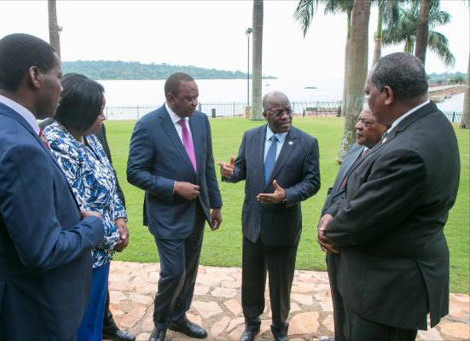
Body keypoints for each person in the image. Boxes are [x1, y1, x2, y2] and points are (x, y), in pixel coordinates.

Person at [0, 33, 104, 341]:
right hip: (30, 316)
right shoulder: (18, 148)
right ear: (35, 76)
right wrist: (91, 227)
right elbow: (42, 251)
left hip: (2, 302)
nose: (62, 87)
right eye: (59, 76)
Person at [319, 52, 460, 341]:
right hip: (390, 281)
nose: (366, 100)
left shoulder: (408, 150)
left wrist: (329, 228)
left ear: (387, 94)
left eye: (368, 93)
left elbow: (363, 216)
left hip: (386, 290)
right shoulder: (433, 125)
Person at [127, 72, 223, 341]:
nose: (195, 103)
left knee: (189, 272)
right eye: (189, 98)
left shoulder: (202, 121)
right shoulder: (148, 125)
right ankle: (160, 322)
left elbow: (206, 166)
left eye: (197, 98)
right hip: (166, 214)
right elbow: (134, 172)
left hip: (197, 212)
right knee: (174, 272)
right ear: (170, 98)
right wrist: (173, 187)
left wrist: (215, 204)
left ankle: (179, 317)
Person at [217, 91, 320, 341]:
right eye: (278, 112)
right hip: (253, 224)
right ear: (265, 114)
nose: (286, 116)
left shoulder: (307, 142)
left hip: (284, 226)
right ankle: (251, 325)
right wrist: (232, 172)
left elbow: (313, 181)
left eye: (288, 110)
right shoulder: (250, 136)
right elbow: (242, 169)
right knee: (251, 281)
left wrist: (286, 195)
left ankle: (279, 328)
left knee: (280, 284)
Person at [42, 73, 130, 341]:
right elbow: (75, 208)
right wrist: (116, 237)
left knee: (92, 323)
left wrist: (120, 217)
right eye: (99, 111)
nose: (104, 116)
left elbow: (109, 178)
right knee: (79, 327)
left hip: (101, 254)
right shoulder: (56, 143)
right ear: (80, 112)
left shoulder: (89, 136)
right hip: (79, 255)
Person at [318, 107, 386, 341]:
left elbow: (358, 201)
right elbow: (337, 189)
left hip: (352, 243)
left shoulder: (384, 158)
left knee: (352, 306)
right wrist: (324, 219)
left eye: (366, 123)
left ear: (383, 126)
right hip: (333, 241)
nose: (358, 126)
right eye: (358, 121)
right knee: (339, 301)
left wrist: (334, 228)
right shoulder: (356, 149)